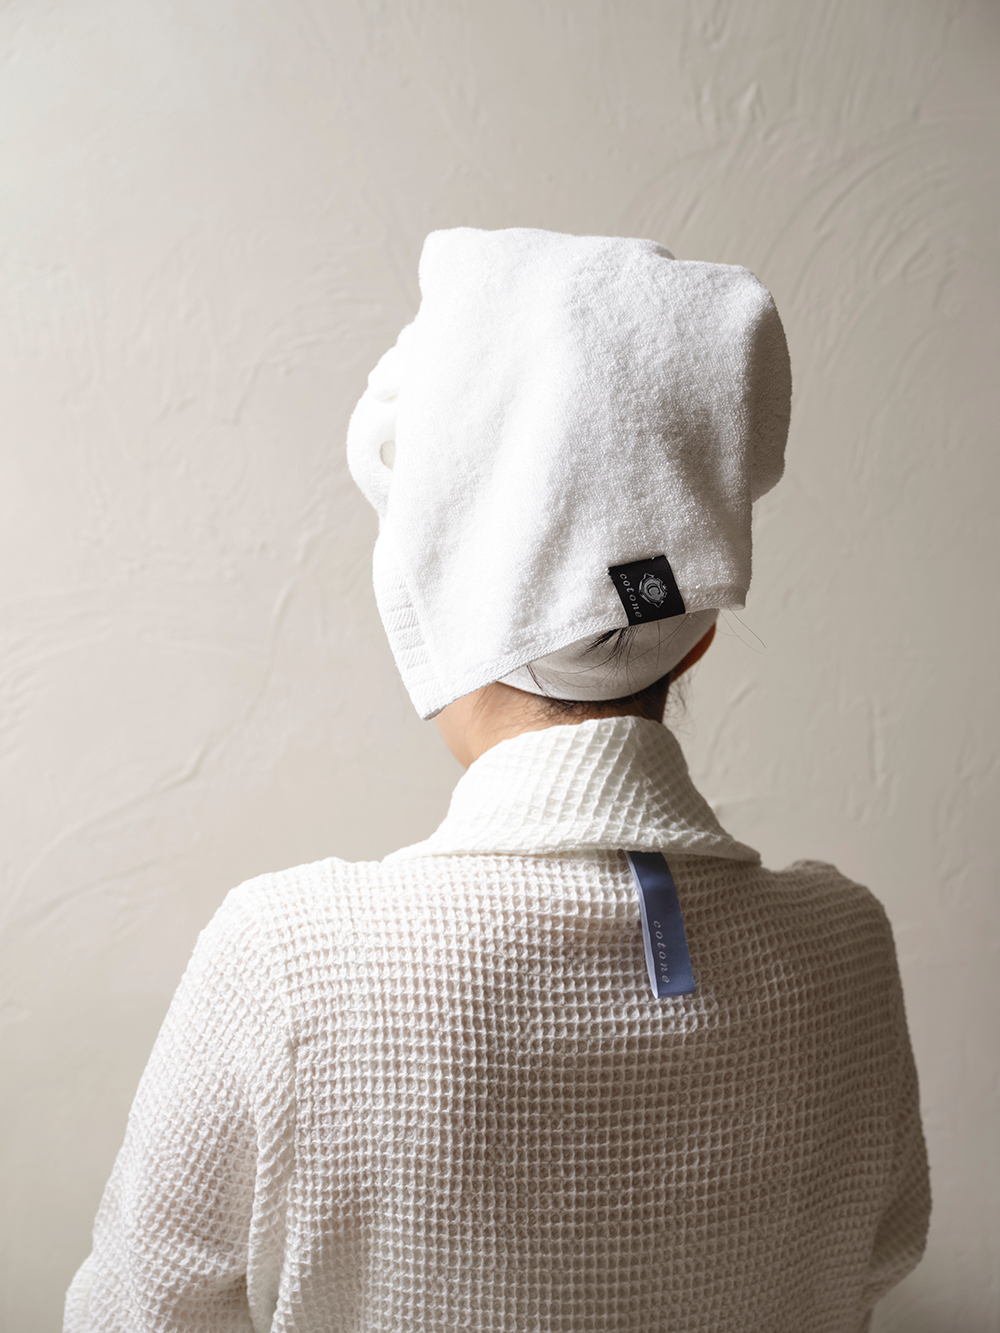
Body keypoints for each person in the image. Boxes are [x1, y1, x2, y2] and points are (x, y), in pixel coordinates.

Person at [65, 228, 929, 1333]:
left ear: (422, 606)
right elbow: (878, 1261)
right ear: (698, 635)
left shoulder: (290, 963)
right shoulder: (844, 952)